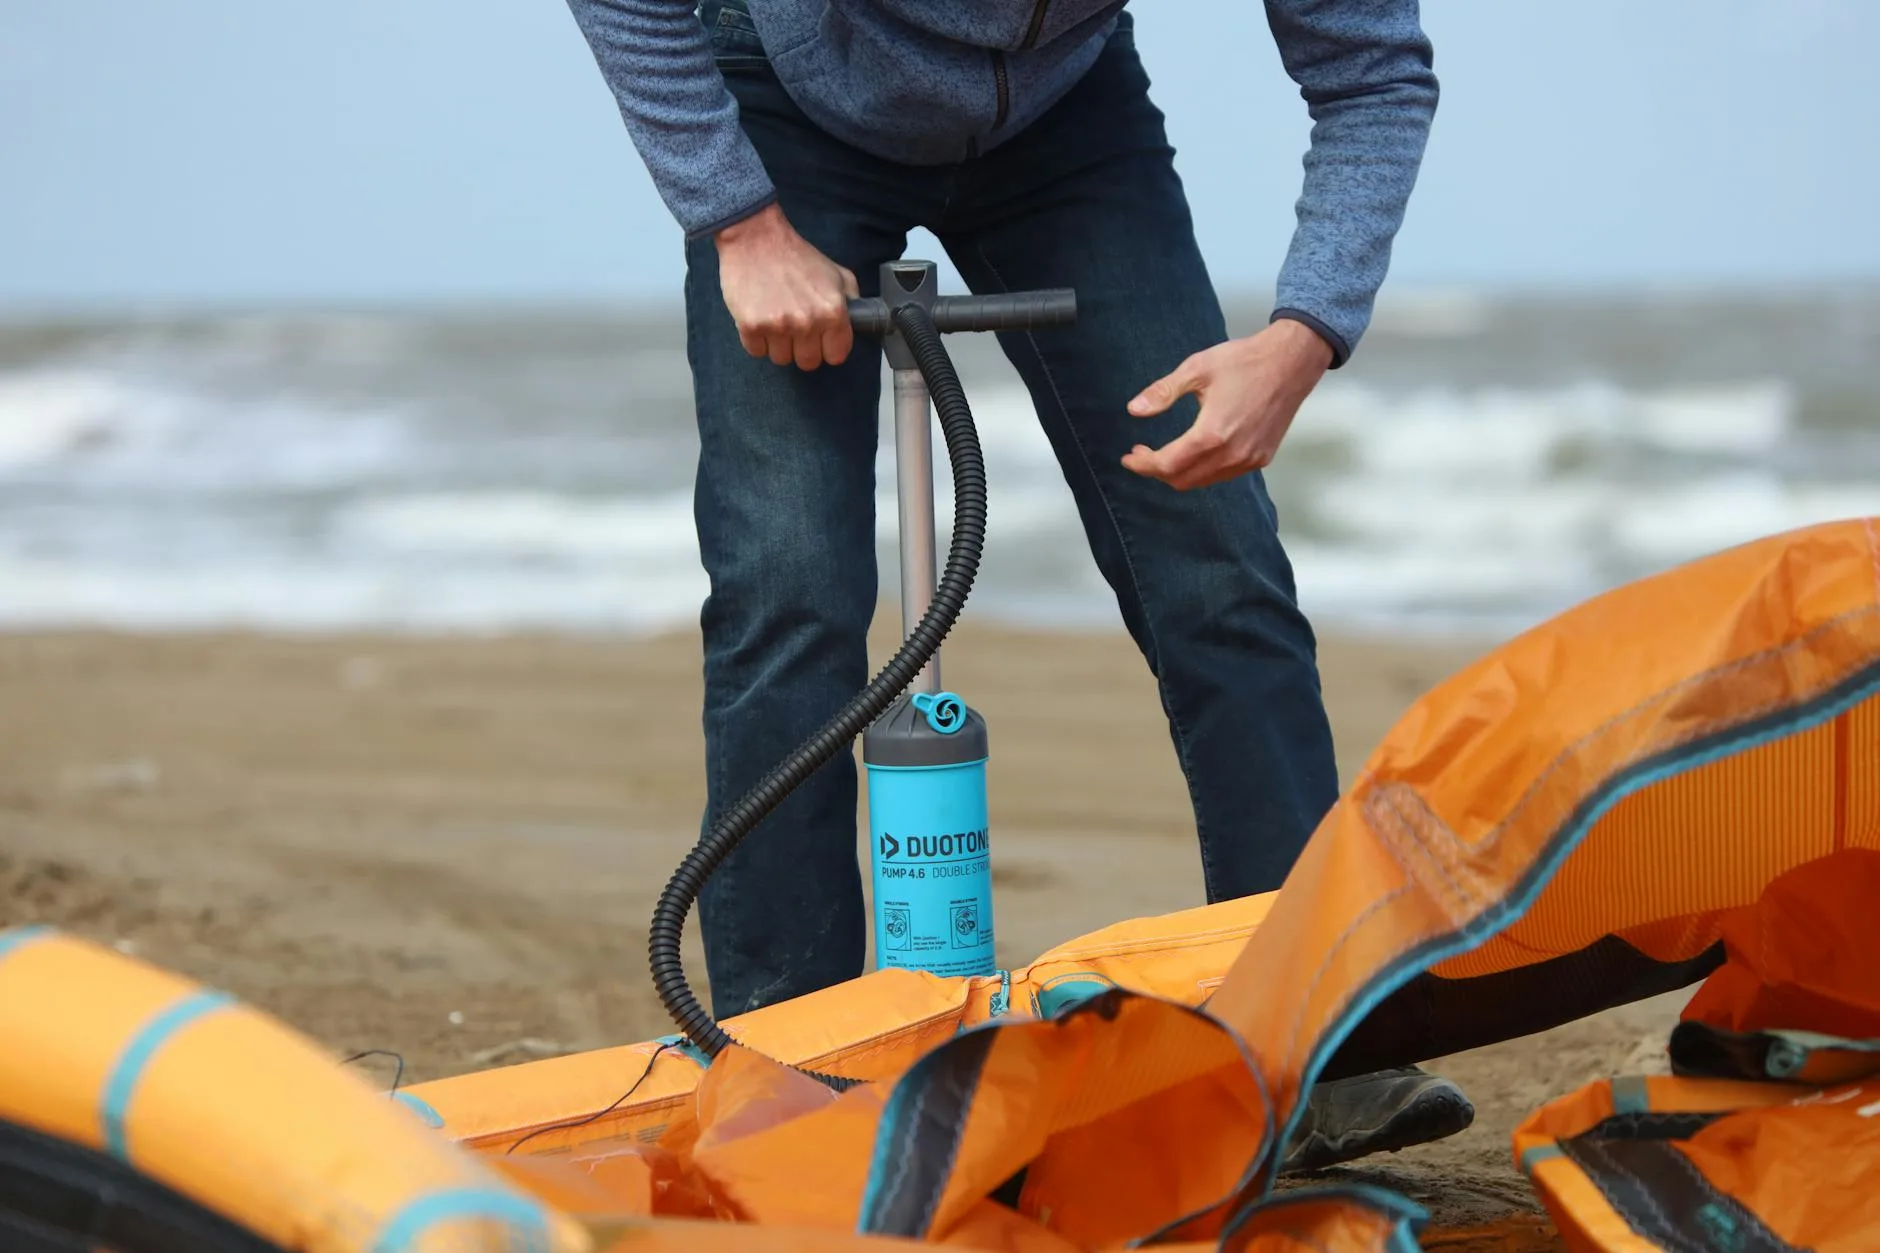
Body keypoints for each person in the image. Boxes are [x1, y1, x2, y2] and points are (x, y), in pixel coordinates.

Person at [561, 0, 1472, 1171]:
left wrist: (1303, 334)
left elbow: (1372, 73)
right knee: (786, 588)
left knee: (1216, 565)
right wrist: (736, 218)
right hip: (788, 105)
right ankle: (784, 1064)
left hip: (1062, 112)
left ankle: (1316, 1042)